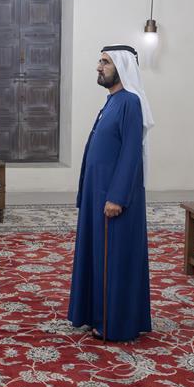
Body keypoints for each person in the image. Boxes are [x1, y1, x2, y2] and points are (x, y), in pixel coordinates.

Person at [68, 44, 154, 342]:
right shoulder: (112, 102)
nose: (98, 67)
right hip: (98, 193)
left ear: (121, 66)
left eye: (104, 62)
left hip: (114, 198)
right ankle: (93, 314)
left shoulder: (130, 102)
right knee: (97, 257)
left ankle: (114, 323)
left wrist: (116, 197)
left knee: (113, 260)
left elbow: (131, 154)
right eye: (99, 61)